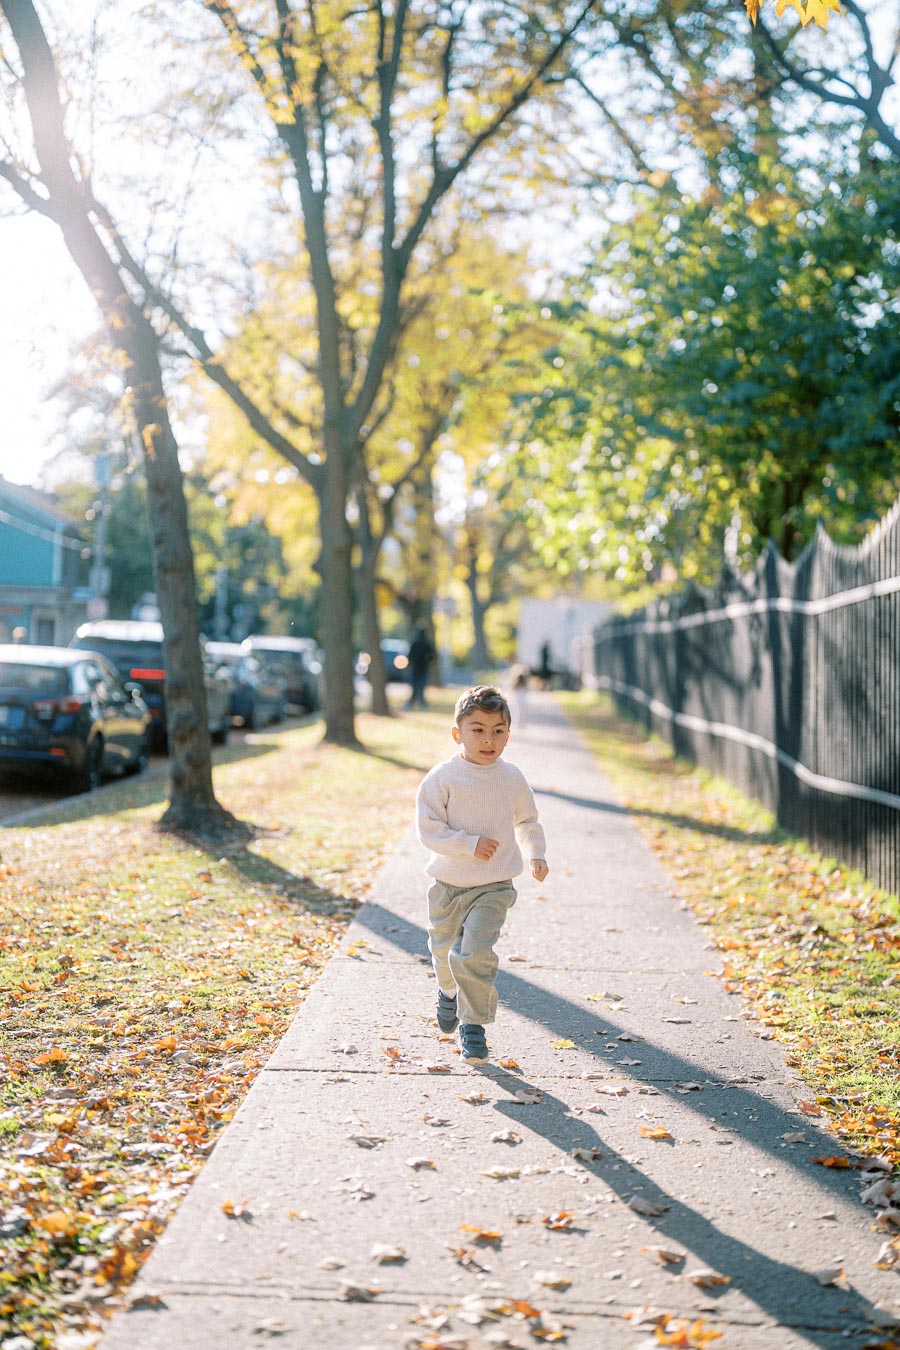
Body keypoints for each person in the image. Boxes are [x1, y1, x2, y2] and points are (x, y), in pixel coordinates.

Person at [415, 684, 549, 1064]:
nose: (488, 739)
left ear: (509, 734)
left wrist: (535, 853)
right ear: (457, 734)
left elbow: (527, 820)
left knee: (473, 953)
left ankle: (472, 1027)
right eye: (477, 730)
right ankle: (447, 992)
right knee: (444, 953)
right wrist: (467, 843)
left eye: (497, 731)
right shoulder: (442, 778)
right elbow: (428, 829)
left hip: (493, 886)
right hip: (447, 886)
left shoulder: (512, 778)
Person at [407, 624, 435, 709]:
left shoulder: (415, 643)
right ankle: (421, 702)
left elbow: (410, 656)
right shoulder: (426, 644)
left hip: (416, 668)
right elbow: (432, 657)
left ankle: (415, 702)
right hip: (423, 668)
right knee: (421, 686)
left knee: (415, 686)